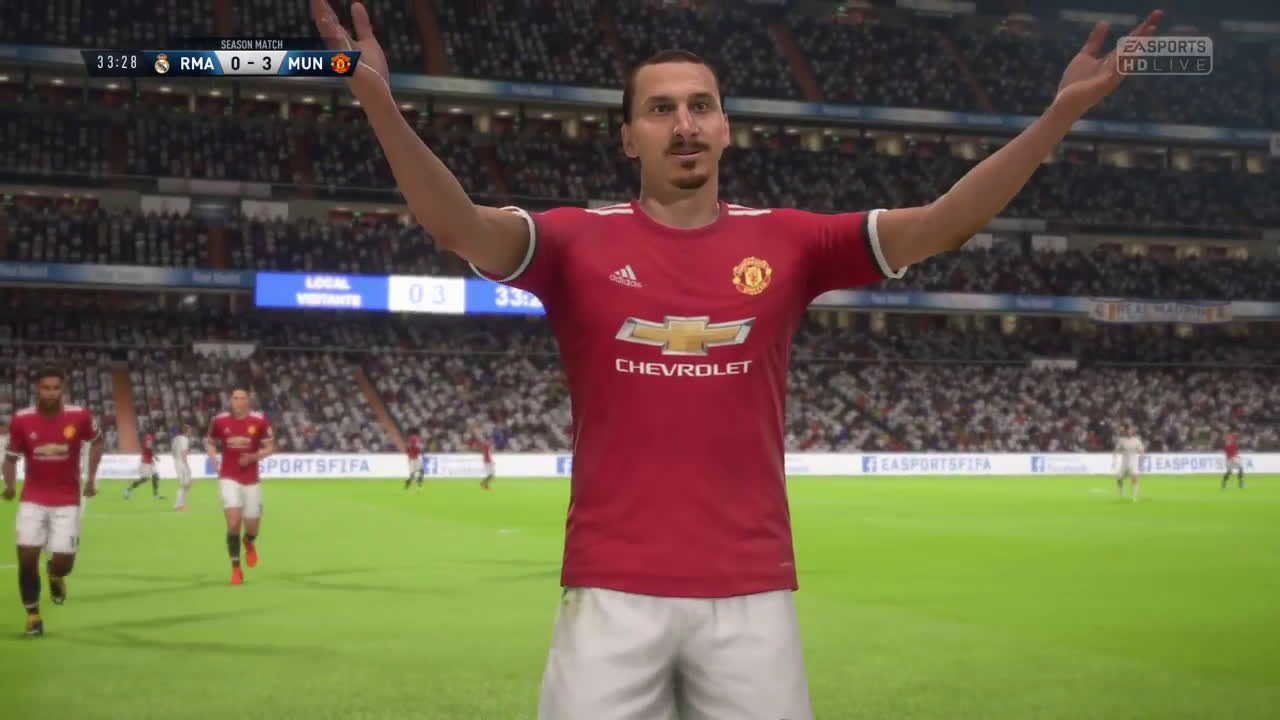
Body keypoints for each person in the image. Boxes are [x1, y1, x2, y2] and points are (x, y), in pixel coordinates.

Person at [311, 2, 1162, 716]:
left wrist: (1059, 116)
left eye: (700, 106)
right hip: (611, 593)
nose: (684, 123)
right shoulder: (572, 241)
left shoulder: (790, 242)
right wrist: (377, 100)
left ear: (725, 127)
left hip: (753, 597)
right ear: (627, 138)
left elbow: (943, 223)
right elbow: (457, 224)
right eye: (660, 109)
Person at [2, 366, 104, 637]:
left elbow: (97, 441)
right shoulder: (22, 419)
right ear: (38, 388)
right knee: (26, 557)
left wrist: (91, 478)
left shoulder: (79, 416)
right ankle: (33, 615)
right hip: (32, 499)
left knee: (63, 562)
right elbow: (10, 457)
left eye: (56, 388)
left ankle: (55, 574)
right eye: (46, 388)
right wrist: (9, 485)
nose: (51, 393)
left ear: (63, 389)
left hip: (67, 501)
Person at [204, 387, 273, 585]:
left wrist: (253, 457)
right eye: (235, 398)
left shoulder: (260, 420)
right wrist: (213, 458)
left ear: (248, 401)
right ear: (230, 400)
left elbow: (269, 448)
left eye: (242, 398)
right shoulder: (219, 420)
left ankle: (248, 542)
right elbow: (210, 442)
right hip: (228, 477)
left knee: (252, 528)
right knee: (234, 523)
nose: (238, 401)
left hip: (251, 480)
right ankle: (236, 569)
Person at [124, 432, 162, 500]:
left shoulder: (150, 439)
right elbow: (149, 447)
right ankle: (128, 490)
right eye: (158, 435)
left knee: (156, 476)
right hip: (145, 462)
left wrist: (154, 455)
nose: (159, 436)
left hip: (150, 462)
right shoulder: (148, 437)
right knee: (144, 479)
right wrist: (155, 456)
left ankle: (155, 495)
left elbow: (150, 448)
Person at [1113, 425, 1145, 502]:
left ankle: (1134, 496)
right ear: (1125, 432)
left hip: (1133, 462)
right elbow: (1116, 450)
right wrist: (1114, 458)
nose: (1129, 432)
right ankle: (1121, 492)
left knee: (1135, 477)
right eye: (1127, 431)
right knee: (1119, 479)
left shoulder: (1136, 441)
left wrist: (1141, 458)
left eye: (1130, 431)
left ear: (1132, 432)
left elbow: (1141, 450)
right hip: (1124, 462)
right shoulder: (1122, 440)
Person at [173, 423, 194, 510]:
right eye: (190, 430)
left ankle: (181, 504)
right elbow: (184, 453)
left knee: (187, 484)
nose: (191, 432)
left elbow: (173, 451)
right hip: (182, 462)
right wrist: (187, 466)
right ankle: (178, 505)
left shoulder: (175, 439)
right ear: (187, 431)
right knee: (185, 485)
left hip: (176, 462)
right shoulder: (185, 439)